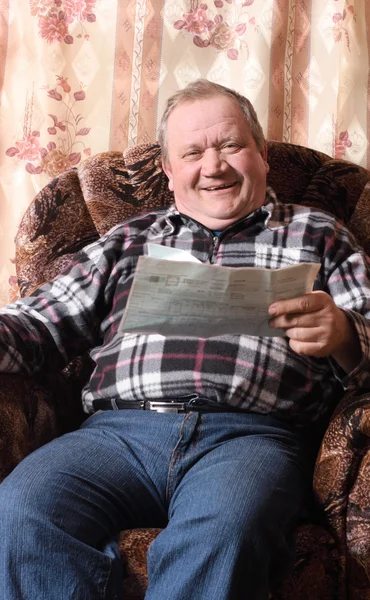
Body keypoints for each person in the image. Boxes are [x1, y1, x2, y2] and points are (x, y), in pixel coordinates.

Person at [0, 79, 369, 600]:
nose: (213, 166)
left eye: (230, 146)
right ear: (170, 173)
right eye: (192, 153)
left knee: (224, 532)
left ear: (261, 155)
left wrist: (346, 335)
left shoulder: (318, 235)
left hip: (249, 438)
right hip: (115, 436)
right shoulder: (128, 241)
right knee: (20, 510)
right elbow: (37, 323)